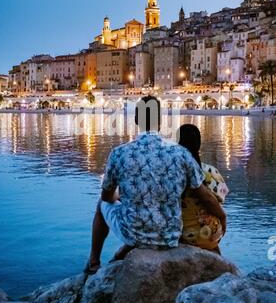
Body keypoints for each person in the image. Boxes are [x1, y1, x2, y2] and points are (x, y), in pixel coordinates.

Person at [85, 96, 226, 274]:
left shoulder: (118, 153)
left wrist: (119, 195)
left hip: (133, 234)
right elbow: (203, 194)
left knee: (101, 204)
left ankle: (93, 263)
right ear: (160, 121)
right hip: (170, 235)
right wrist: (222, 216)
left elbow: (106, 197)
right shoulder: (181, 154)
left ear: (136, 120)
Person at [178, 124, 229, 252]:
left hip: (177, 233)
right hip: (207, 234)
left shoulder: (172, 173)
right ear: (199, 144)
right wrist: (223, 218)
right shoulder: (209, 171)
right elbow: (221, 198)